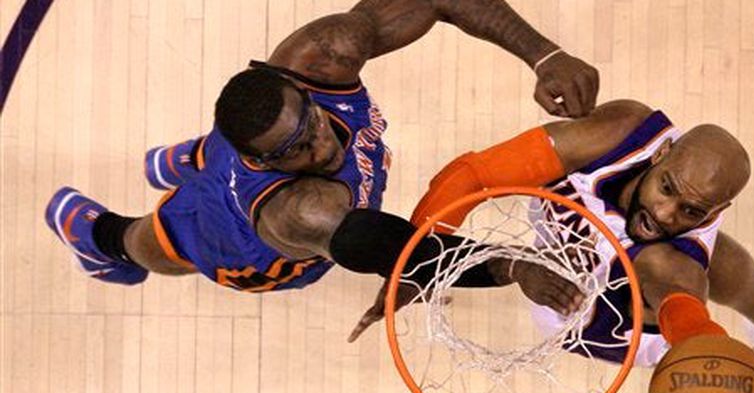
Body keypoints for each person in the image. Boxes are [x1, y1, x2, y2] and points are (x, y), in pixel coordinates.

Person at [45, 0, 599, 308]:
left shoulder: (319, 58)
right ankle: (101, 241)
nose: (323, 143)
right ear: (267, 164)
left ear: (299, 87)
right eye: (300, 149)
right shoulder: (302, 212)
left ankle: (195, 157)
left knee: (228, 141)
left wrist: (545, 56)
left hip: (241, 149)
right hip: (240, 235)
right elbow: (391, 247)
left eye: (310, 121)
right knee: (163, 239)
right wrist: (509, 266)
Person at [353, 99, 754, 393]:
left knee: (716, 270)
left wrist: (712, 357)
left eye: (693, 211)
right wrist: (415, 262)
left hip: (619, 325)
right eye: (667, 188)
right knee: (724, 263)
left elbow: (684, 314)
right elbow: (474, 174)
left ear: (719, 210)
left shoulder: (673, 263)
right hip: (569, 277)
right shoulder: (619, 135)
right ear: (663, 153)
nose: (667, 214)